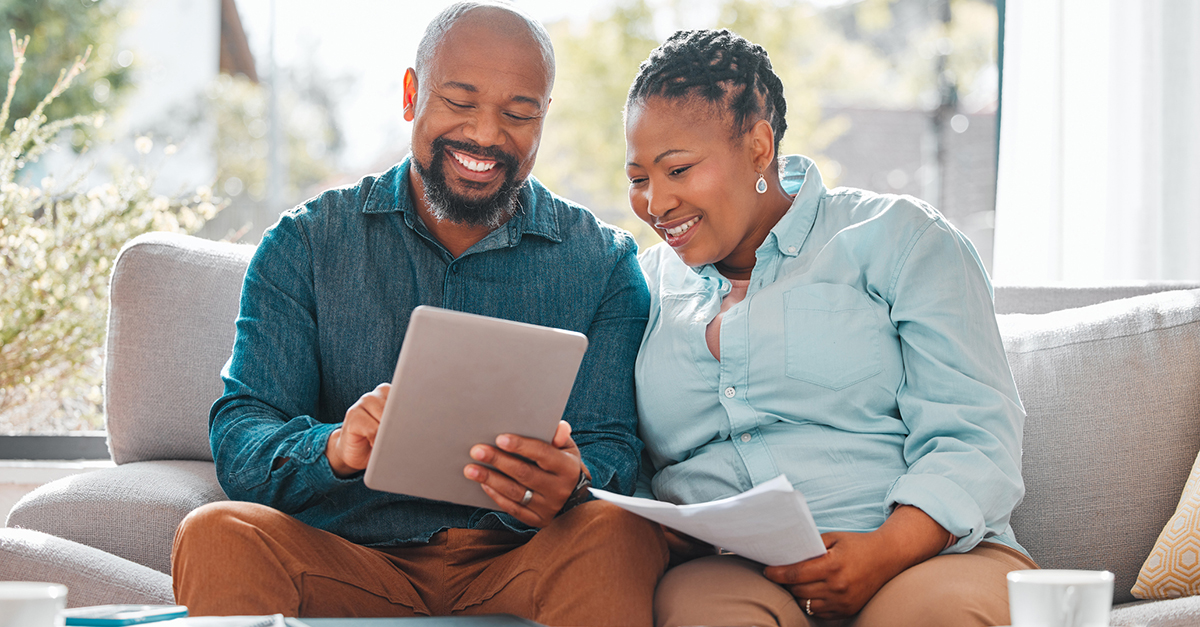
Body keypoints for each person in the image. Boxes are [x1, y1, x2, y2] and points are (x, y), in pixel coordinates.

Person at [170, 3, 667, 623]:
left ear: (543, 120)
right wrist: (334, 448)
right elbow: (243, 433)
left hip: (522, 555)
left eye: (518, 114)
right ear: (412, 95)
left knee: (620, 533)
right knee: (217, 532)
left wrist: (573, 481)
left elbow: (614, 450)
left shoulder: (604, 263)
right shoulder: (307, 242)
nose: (486, 136)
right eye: (460, 102)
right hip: (348, 553)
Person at [623, 29, 1036, 627]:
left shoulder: (900, 239)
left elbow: (977, 433)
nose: (656, 203)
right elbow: (632, 462)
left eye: (678, 170)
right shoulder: (643, 285)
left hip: (925, 555)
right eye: (638, 179)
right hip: (735, 569)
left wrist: (885, 550)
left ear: (759, 147)